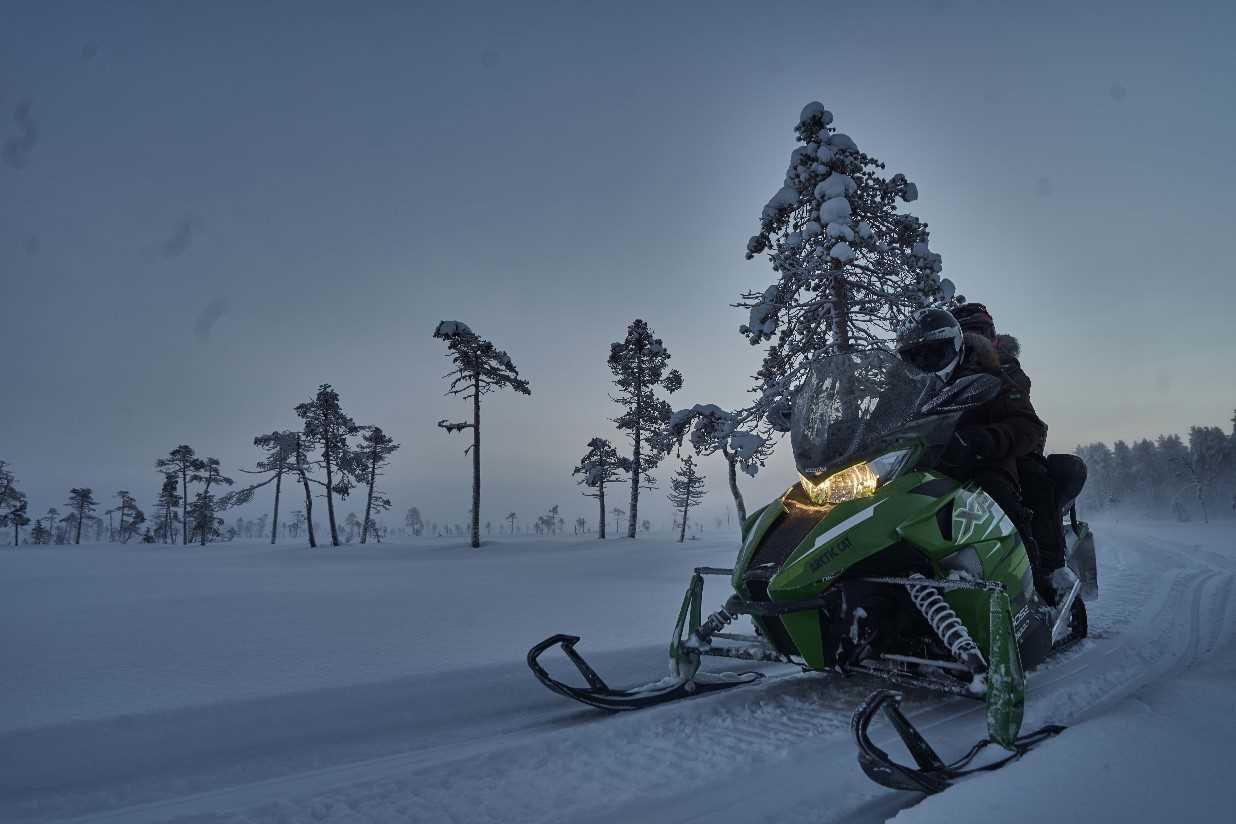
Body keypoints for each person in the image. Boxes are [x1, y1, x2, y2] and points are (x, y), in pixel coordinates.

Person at [895, 308, 1053, 601]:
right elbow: (881, 420)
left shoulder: (992, 372)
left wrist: (983, 440)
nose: (925, 363)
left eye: (933, 354)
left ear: (955, 346)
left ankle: (1036, 588)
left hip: (981, 462)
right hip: (923, 464)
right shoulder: (905, 390)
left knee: (996, 493)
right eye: (915, 357)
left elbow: (1027, 424)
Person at [950, 303, 1068, 604]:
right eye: (967, 333)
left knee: (1026, 479)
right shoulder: (938, 371)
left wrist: (987, 439)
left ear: (991, 334)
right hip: (947, 452)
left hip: (1001, 450)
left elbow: (1022, 419)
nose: (974, 338)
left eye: (980, 331)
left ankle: (1043, 574)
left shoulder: (1004, 367)